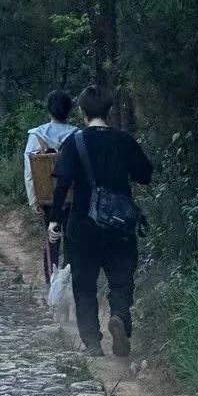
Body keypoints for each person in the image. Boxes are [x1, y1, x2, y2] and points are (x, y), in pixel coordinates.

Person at [48, 85, 153, 357]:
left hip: (83, 224)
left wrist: (54, 220)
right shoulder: (124, 140)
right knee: (121, 279)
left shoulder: (74, 143)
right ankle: (118, 315)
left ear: (81, 112)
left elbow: (62, 186)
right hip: (120, 224)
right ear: (109, 110)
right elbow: (144, 175)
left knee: (84, 284)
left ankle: (92, 342)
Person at [24, 89, 79, 280]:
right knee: (72, 244)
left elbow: (30, 173)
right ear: (69, 111)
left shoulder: (36, 135)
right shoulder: (78, 135)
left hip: (47, 199)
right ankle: (69, 284)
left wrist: (34, 201)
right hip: (73, 199)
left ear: (49, 110)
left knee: (51, 244)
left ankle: (52, 286)